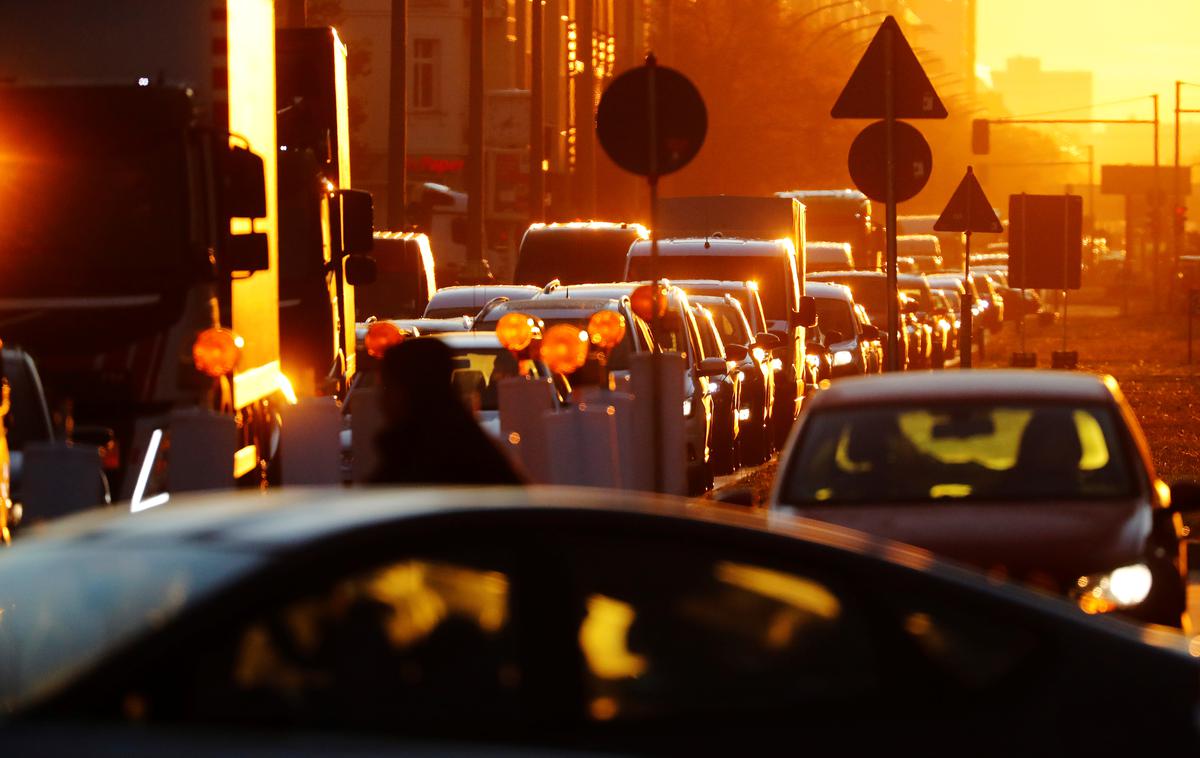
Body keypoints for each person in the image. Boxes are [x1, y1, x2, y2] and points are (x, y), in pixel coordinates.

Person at [371, 339, 526, 485]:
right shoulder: (478, 447)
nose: (380, 401)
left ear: (407, 392)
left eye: (388, 389)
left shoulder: (416, 463)